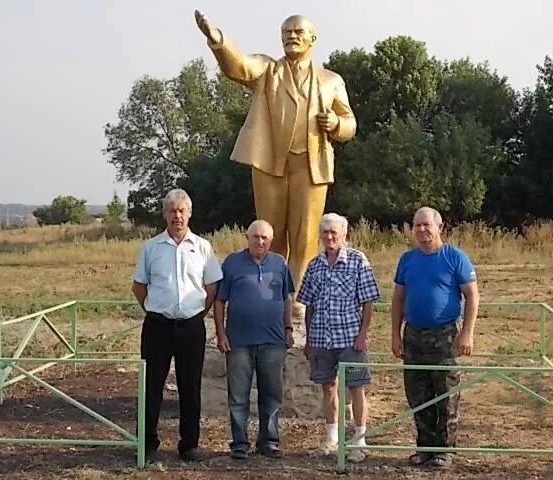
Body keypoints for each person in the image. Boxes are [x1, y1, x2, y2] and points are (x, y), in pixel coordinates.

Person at [194, 11, 357, 306]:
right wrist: (217, 40)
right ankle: (271, 296)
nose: (290, 37)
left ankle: (298, 300)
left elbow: (350, 123)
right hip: (271, 165)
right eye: (285, 32)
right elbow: (239, 66)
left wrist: (336, 124)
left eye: (297, 32)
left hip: (311, 166)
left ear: (312, 38)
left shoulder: (331, 80)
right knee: (270, 233)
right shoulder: (268, 69)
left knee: (306, 235)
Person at [132, 188, 223, 463]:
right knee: (151, 386)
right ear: (164, 214)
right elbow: (139, 286)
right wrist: (155, 309)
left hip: (191, 327)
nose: (177, 216)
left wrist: (195, 313)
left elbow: (211, 286)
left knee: (190, 386)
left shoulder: (203, 247)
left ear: (189, 213)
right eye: (172, 211)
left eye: (182, 210)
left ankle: (189, 444)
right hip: (158, 326)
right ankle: (147, 444)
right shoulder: (150, 248)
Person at [391, 206, 479, 469]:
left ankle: (445, 450)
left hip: (445, 335)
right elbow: (398, 298)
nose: (421, 230)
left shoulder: (454, 257)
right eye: (417, 225)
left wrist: (467, 334)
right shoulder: (407, 259)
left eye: (426, 225)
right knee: (418, 394)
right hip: (414, 335)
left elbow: (472, 295)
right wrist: (395, 335)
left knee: (446, 394)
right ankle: (424, 448)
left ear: (439, 227)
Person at [297, 213, 380, 462]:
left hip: (350, 336)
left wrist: (363, 335)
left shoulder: (358, 261)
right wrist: (309, 339)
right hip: (322, 338)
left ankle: (359, 441)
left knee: (356, 387)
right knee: (328, 387)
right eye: (326, 232)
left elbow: (367, 302)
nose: (330, 237)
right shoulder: (314, 265)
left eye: (334, 232)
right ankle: (331, 439)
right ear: (320, 236)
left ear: (344, 234)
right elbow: (308, 304)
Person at [214, 220, 295, 460]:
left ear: (271, 240)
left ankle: (268, 441)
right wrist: (220, 332)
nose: (260, 242)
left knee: (271, 394)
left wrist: (288, 328)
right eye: (255, 237)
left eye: (265, 238)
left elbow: (287, 298)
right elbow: (220, 300)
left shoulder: (280, 263)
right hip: (238, 341)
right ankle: (239, 443)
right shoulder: (232, 263)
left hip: (273, 341)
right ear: (247, 237)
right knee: (238, 395)